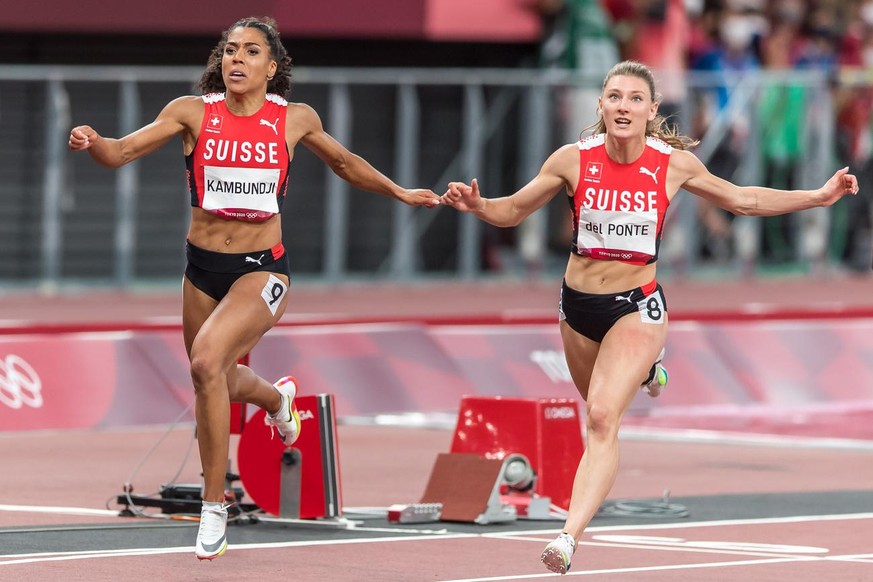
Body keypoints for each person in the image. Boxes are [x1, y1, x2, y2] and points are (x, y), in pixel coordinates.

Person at [440, 60, 858, 575]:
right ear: (601, 105)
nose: (624, 106)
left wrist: (817, 196)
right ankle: (648, 373)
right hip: (577, 307)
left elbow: (743, 199)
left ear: (652, 110)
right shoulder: (573, 159)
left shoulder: (672, 164)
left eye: (636, 99)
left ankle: (568, 537)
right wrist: (480, 205)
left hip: (637, 305)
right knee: (598, 402)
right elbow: (512, 210)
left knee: (600, 418)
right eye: (614, 96)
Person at [68, 16, 440, 561]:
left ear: (272, 67)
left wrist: (399, 192)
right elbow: (121, 152)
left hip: (262, 268)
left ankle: (213, 506)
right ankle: (276, 398)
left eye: (250, 52)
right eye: (229, 51)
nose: (236, 60)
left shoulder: (293, 119)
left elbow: (345, 163)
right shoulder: (192, 113)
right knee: (212, 378)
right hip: (201, 268)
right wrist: (94, 141)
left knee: (205, 364)